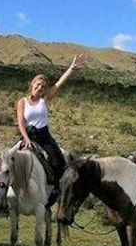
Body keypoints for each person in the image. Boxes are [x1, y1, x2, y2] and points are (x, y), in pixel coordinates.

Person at [16, 53, 86, 204]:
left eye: (43, 86)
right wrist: (26, 138)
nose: (40, 88)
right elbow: (21, 121)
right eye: (38, 85)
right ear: (32, 85)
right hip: (28, 134)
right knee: (10, 160)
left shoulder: (45, 99)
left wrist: (71, 68)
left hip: (44, 135)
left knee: (57, 160)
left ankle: (53, 190)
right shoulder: (22, 102)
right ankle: (8, 195)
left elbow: (60, 82)